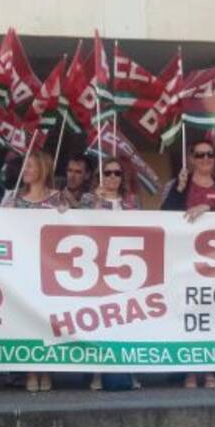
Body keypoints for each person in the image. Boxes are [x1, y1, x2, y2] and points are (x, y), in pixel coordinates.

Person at [162, 139, 215, 388]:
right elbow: (165, 214)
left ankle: (210, 368)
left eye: (209, 155)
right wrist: (180, 189)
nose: (205, 160)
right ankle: (190, 370)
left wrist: (207, 207)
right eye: (200, 155)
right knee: (186, 315)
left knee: (210, 316)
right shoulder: (179, 183)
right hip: (184, 261)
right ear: (191, 159)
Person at [79, 157, 142, 391]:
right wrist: (98, 199)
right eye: (108, 173)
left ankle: (132, 372)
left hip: (127, 267)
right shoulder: (88, 199)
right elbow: (83, 224)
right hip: (97, 265)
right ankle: (97, 373)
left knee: (128, 320)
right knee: (100, 321)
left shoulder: (132, 201)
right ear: (100, 176)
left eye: (117, 173)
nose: (112, 177)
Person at [4, 151, 65, 391]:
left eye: (30, 166)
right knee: (27, 319)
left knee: (48, 319)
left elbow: (74, 225)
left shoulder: (59, 199)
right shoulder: (13, 199)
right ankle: (31, 369)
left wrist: (66, 215)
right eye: (24, 167)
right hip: (23, 268)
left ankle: (47, 368)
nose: (25, 170)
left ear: (43, 169)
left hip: (50, 269)